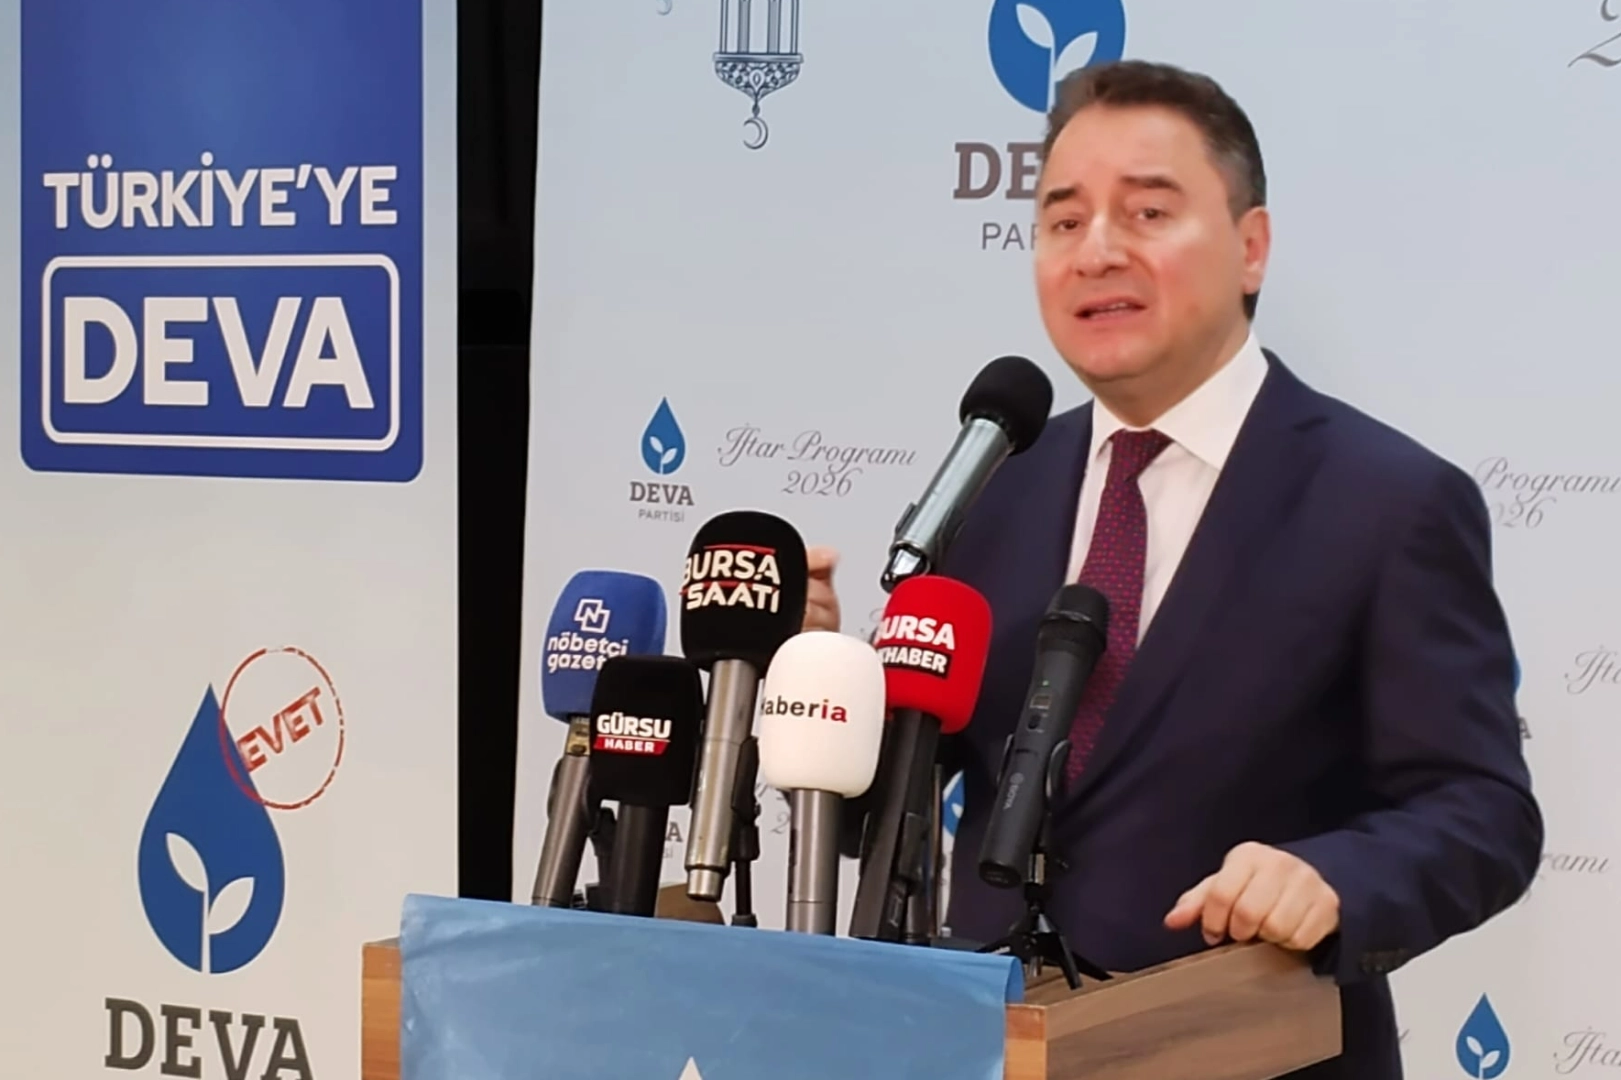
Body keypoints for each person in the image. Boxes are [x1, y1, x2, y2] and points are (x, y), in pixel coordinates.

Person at [803, 60, 1541, 1080]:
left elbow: (1483, 812)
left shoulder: (1388, 500)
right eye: (1064, 221)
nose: (1097, 249)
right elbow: (890, 817)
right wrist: (825, 689)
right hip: (990, 1048)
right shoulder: (993, 489)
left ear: (1251, 246)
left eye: (1147, 212)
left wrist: (1332, 879)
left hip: (1255, 1054)